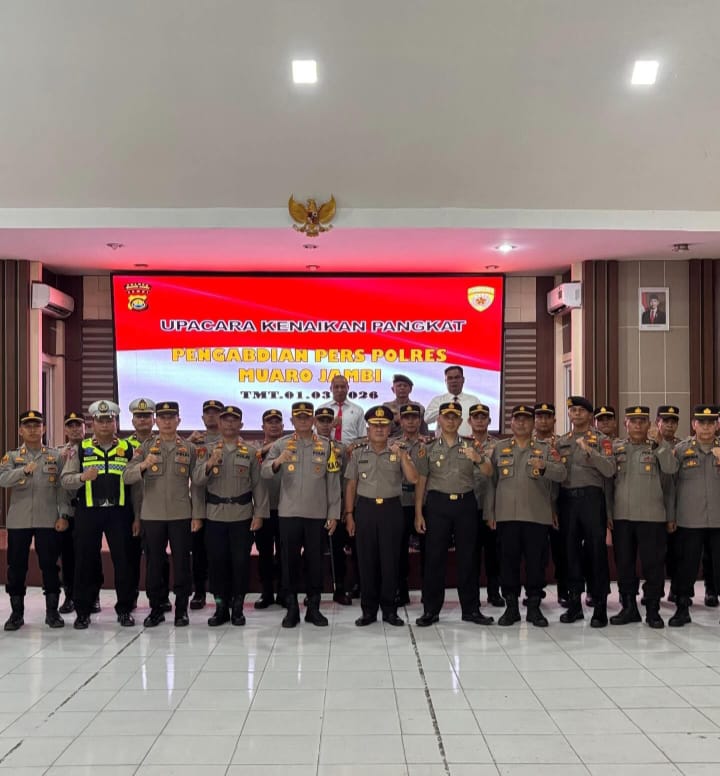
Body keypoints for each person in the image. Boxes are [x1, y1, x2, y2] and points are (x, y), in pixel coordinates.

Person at [124, 401, 204, 627]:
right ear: (156, 421)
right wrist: (143, 465)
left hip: (181, 514)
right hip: (152, 515)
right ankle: (156, 608)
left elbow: (198, 484)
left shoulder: (189, 448)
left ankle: (181, 609)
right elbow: (127, 476)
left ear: (179, 420)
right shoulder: (145, 447)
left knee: (182, 564)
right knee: (154, 565)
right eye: (163, 418)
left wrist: (197, 515)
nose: (167, 422)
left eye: (171, 417)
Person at [485, 405, 566, 627]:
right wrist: (490, 512)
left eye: (526, 419)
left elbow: (561, 474)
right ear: (511, 423)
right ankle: (511, 607)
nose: (521, 423)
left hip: (536, 516)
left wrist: (545, 466)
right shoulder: (499, 448)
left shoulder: (545, 448)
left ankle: (534, 607)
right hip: (506, 516)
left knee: (536, 564)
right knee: (508, 563)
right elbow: (491, 483)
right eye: (517, 419)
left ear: (533, 424)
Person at [261, 402, 342, 628]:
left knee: (315, 562)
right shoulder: (282, 444)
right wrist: (278, 461)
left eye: (307, 417)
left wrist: (333, 513)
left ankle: (314, 608)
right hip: (289, 514)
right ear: (292, 421)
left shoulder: (326, 446)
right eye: (299, 417)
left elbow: (333, 481)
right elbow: (264, 472)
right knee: (289, 562)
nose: (304, 421)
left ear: (313, 420)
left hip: (317, 514)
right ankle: (292, 608)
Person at [414, 401, 494, 626]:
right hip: (437, 505)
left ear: (460, 421)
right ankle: (431, 610)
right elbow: (421, 481)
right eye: (446, 417)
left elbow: (489, 471)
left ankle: (471, 609)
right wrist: (418, 512)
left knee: (468, 558)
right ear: (439, 419)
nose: (450, 421)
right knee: (434, 559)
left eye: (454, 417)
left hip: (465, 504)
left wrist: (478, 458)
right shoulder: (429, 447)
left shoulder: (471, 445)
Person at [60, 400, 137, 629]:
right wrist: (82, 477)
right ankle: (83, 611)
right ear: (93, 423)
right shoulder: (80, 449)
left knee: (123, 561)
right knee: (84, 562)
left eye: (109, 420)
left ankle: (125, 609)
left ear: (115, 423)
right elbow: (65, 480)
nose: (105, 424)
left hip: (119, 513)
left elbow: (137, 488)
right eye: (100, 420)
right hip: (88, 512)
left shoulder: (128, 448)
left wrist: (137, 516)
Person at [193, 405, 268, 626]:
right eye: (225, 419)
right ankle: (220, 607)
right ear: (219, 423)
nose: (229, 423)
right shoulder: (206, 451)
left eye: (234, 420)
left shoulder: (251, 452)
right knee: (217, 564)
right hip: (215, 516)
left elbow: (259, 485)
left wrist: (259, 514)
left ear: (241, 424)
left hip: (242, 516)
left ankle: (237, 607)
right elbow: (197, 481)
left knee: (240, 563)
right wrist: (209, 463)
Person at [345, 406, 417, 626]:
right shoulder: (358, 453)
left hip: (391, 510)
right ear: (368, 429)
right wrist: (349, 514)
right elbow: (351, 485)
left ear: (389, 429)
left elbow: (414, 478)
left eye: (383, 425)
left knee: (390, 562)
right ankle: (368, 611)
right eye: (375, 425)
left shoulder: (399, 451)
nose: (379, 429)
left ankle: (389, 610)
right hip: (365, 510)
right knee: (366, 562)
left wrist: (403, 457)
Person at [0, 410, 70, 630]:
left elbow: (63, 488)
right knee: (16, 567)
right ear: (20, 431)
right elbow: (2, 479)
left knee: (49, 565)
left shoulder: (55, 456)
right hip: (19, 520)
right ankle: (16, 614)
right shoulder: (12, 457)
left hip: (48, 519)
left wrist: (63, 515)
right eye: (28, 426)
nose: (32, 430)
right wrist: (23, 471)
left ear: (44, 429)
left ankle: (52, 613)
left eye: (36, 426)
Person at [610, 406, 677, 629]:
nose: (638, 425)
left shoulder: (659, 447)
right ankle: (629, 607)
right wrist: (608, 514)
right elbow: (608, 484)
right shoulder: (616, 448)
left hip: (652, 517)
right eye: (633, 421)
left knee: (653, 565)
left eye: (642, 421)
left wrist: (660, 444)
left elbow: (670, 473)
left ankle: (653, 609)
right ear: (625, 424)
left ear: (650, 424)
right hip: (622, 516)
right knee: (624, 564)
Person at [555, 396, 616, 627]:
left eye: (582, 410)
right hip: (567, 501)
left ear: (590, 415)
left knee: (596, 553)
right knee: (569, 553)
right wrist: (553, 507)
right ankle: (574, 605)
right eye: (573, 410)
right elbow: (555, 478)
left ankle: (600, 606)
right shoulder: (561, 442)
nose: (577, 414)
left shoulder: (601, 440)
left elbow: (609, 470)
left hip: (592, 500)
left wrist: (590, 451)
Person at [668, 405, 720, 627]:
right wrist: (671, 516)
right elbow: (671, 485)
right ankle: (682, 608)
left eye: (711, 423)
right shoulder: (681, 450)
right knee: (686, 566)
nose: (706, 427)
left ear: (717, 425)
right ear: (694, 425)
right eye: (702, 423)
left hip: (718, 520)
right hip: (689, 519)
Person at [125, 397, 172, 613]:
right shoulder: (123, 446)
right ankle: (131, 596)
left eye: (146, 416)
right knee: (130, 556)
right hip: (128, 508)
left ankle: (162, 597)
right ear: (132, 420)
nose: (142, 420)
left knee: (158, 556)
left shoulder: (162, 443)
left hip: (155, 508)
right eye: (138, 416)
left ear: (154, 420)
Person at [314, 406, 355, 605]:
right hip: (313, 507)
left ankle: (340, 589)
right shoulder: (307, 446)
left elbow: (348, 480)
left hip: (336, 506)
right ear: (315, 422)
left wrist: (347, 509)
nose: (324, 425)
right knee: (313, 551)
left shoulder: (341, 449)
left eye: (328, 421)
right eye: (321, 421)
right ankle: (313, 592)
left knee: (337, 550)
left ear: (333, 424)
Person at [186, 399, 224, 610]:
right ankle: (199, 592)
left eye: (215, 412)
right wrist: (187, 441)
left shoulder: (231, 441)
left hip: (222, 505)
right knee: (198, 552)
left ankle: (221, 593)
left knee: (219, 552)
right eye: (207, 413)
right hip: (200, 504)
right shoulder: (194, 443)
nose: (211, 416)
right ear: (202, 418)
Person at [467, 403, 504, 608]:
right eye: (476, 417)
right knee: (470, 554)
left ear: (489, 420)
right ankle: (472, 594)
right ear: (469, 421)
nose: (480, 420)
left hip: (491, 506)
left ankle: (494, 592)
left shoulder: (498, 446)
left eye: (483, 417)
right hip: (468, 506)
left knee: (493, 554)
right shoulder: (463, 444)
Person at [392, 403, 427, 605]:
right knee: (399, 550)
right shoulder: (393, 445)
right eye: (407, 418)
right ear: (401, 421)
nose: (411, 421)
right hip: (402, 502)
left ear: (420, 421)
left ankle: (427, 591)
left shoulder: (429, 444)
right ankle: (401, 590)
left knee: (428, 550)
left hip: (426, 502)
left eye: (414, 417)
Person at [533, 402, 567, 606]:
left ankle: (564, 590)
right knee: (536, 552)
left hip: (559, 504)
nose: (543, 420)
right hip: (535, 504)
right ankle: (536, 591)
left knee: (561, 551)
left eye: (547, 416)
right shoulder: (526, 443)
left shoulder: (562, 443)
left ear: (554, 420)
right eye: (539, 416)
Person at [253, 408, 286, 608]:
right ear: (262, 426)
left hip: (285, 508)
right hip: (263, 508)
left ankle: (283, 591)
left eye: (277, 422)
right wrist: (270, 447)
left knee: (284, 553)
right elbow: (254, 457)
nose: (273, 425)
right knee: (264, 553)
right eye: (269, 422)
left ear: (283, 426)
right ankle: (266, 592)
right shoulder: (255, 448)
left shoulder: (288, 446)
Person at [57, 410, 86, 614]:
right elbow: (58, 487)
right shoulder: (58, 454)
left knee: (89, 555)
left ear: (85, 427)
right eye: (71, 425)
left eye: (78, 425)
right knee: (68, 556)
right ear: (65, 429)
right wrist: (62, 514)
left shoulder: (93, 449)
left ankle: (92, 596)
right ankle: (69, 596)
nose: (75, 429)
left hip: (89, 510)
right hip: (69, 511)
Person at [424, 365, 482, 437]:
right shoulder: (438, 400)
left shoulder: (473, 400)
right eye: (450, 378)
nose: (453, 381)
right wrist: (444, 408)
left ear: (463, 380)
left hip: (468, 442)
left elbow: (481, 422)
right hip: (443, 443)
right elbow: (427, 419)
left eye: (457, 377)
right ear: (446, 381)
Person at [320, 375, 366, 444]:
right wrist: (330, 426)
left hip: (351, 449)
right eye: (336, 387)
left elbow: (363, 436)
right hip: (327, 449)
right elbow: (316, 435)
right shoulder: (322, 409)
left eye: (343, 387)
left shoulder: (358, 410)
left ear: (348, 388)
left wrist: (354, 446)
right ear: (331, 388)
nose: (340, 390)